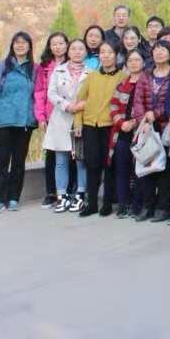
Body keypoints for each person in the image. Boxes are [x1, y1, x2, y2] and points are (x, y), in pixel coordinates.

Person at [0, 32, 37, 214]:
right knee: (1, 161)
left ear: (29, 47)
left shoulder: (34, 69)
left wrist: (36, 118)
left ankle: (13, 197)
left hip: (25, 122)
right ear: (12, 45)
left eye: (24, 43)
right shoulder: (1, 67)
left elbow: (37, 95)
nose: (20, 45)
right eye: (17, 42)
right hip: (4, 121)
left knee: (18, 162)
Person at [72, 41, 124, 218]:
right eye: (102, 52)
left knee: (108, 166)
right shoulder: (92, 76)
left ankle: (107, 203)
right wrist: (78, 122)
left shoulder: (122, 77)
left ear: (116, 55)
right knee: (92, 165)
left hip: (110, 126)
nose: (106, 56)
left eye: (110, 52)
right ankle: (92, 203)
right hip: (90, 125)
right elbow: (80, 100)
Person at [131, 40, 170, 223]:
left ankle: (163, 207)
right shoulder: (146, 74)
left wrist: (156, 114)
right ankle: (147, 206)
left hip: (166, 127)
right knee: (146, 167)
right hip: (146, 128)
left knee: (164, 169)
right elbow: (138, 100)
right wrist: (142, 120)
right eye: (156, 50)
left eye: (163, 50)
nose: (159, 53)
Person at [45, 39, 91, 214]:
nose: (77, 52)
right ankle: (62, 196)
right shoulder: (58, 70)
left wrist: (80, 106)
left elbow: (93, 95)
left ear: (85, 52)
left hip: (82, 119)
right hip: (61, 119)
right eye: (74, 49)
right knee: (61, 160)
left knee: (80, 160)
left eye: (81, 49)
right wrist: (66, 105)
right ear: (68, 51)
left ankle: (79, 195)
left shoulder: (91, 73)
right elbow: (51, 93)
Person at [108, 48, 145, 219]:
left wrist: (134, 122)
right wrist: (121, 123)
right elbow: (113, 106)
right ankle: (123, 204)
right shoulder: (122, 84)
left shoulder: (147, 83)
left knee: (139, 170)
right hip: (122, 133)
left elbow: (149, 106)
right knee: (121, 169)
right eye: (130, 60)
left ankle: (137, 204)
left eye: (137, 60)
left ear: (143, 63)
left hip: (141, 133)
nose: (134, 63)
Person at [35, 32, 69, 208]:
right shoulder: (44, 67)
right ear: (49, 46)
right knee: (51, 155)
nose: (58, 47)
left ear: (66, 45)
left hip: (69, 115)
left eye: (61, 43)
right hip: (51, 117)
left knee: (70, 154)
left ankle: (68, 191)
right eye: (54, 44)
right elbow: (39, 93)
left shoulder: (73, 65)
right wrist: (41, 117)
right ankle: (51, 192)